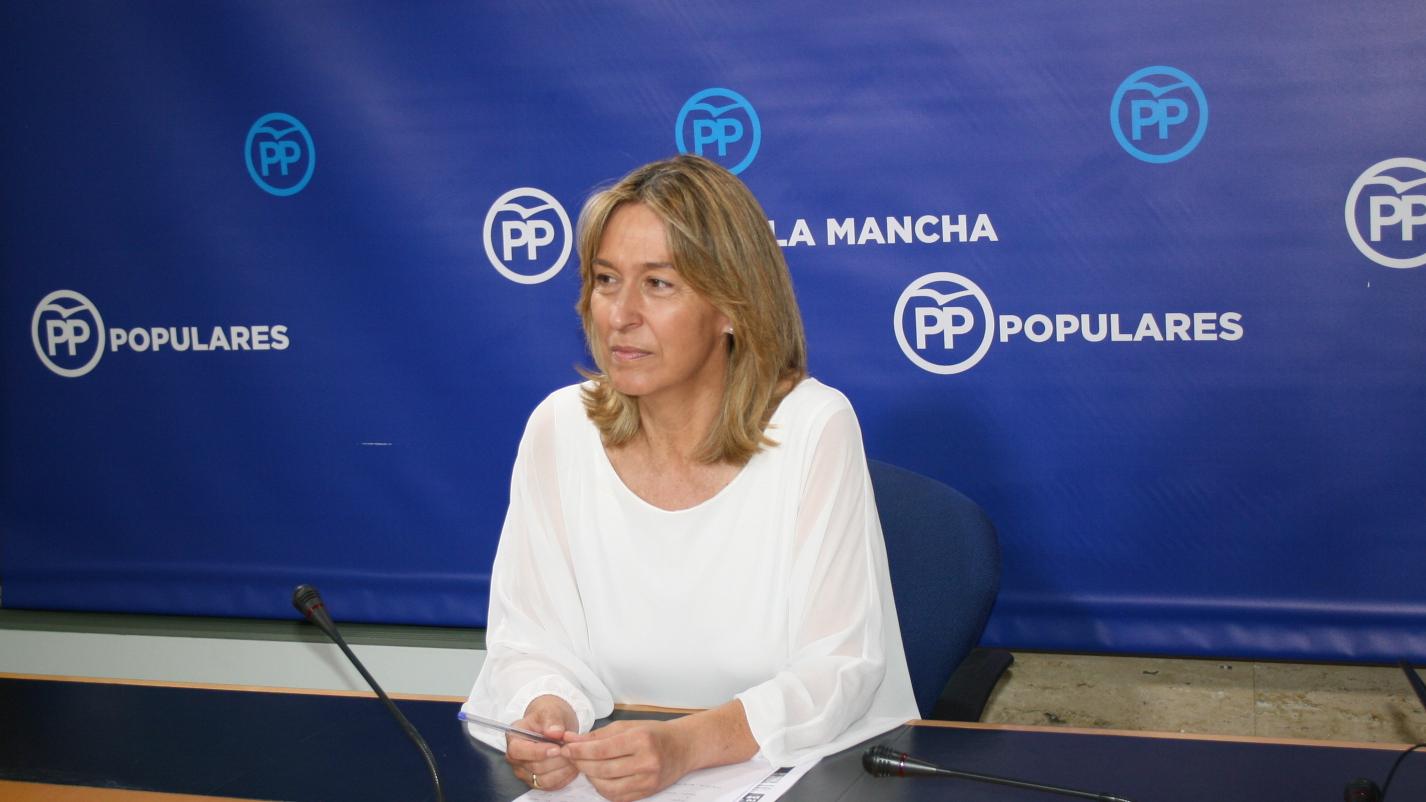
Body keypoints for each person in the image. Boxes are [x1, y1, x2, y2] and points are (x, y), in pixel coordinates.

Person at [462, 154, 917, 802]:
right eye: (606, 280)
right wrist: (545, 711)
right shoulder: (559, 429)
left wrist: (685, 746)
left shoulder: (814, 425)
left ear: (732, 306)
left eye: (658, 284)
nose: (620, 314)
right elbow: (529, 641)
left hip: (821, 776)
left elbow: (839, 669)